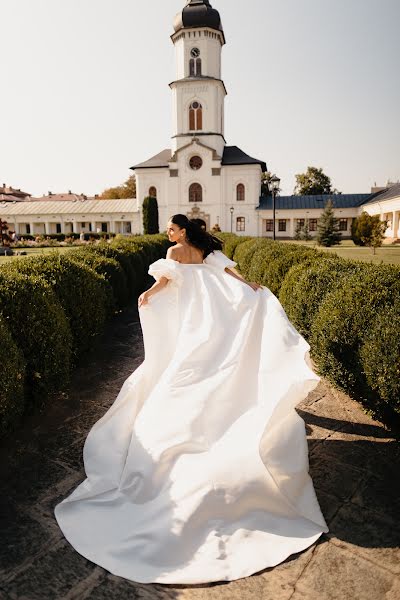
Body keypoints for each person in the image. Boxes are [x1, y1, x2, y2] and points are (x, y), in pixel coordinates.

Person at [54, 214, 328, 585]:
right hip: (213, 313)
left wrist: (147, 295)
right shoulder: (205, 249)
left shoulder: (175, 251)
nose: (168, 233)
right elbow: (230, 274)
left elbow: (166, 280)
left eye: (171, 228)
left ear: (182, 231)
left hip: (196, 316)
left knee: (190, 364)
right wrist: (251, 286)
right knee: (214, 361)